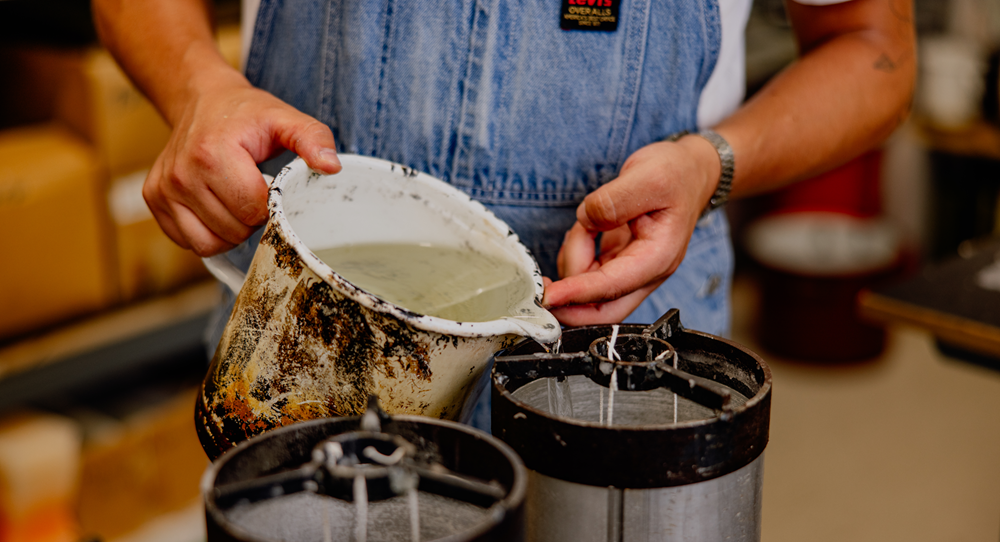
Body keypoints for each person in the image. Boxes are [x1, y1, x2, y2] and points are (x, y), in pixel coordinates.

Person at [92, 0, 914, 338]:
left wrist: (712, 163)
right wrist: (199, 86)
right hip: (309, 337)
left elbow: (873, 46)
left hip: (612, 356)